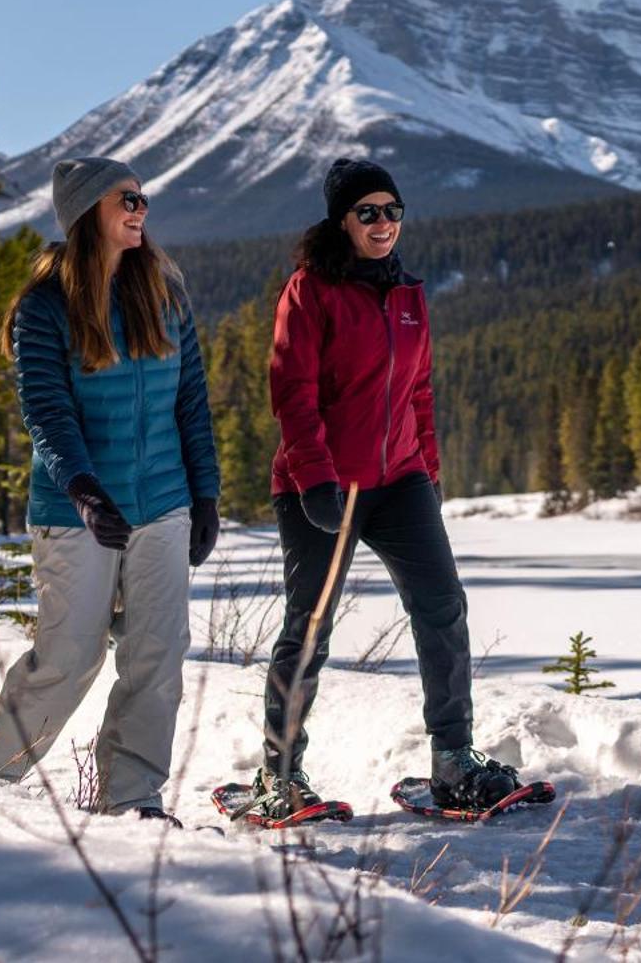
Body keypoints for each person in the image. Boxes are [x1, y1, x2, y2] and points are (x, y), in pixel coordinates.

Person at [241, 158, 518, 821]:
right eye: (368, 212)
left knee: (443, 606)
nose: (383, 223)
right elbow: (293, 392)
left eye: (392, 210)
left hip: (401, 482)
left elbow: (419, 392)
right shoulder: (309, 290)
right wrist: (314, 479)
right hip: (324, 484)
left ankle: (453, 758)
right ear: (343, 220)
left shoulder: (408, 294)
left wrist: (430, 470)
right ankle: (279, 773)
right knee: (309, 626)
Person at [0, 157, 221, 824]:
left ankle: (132, 800)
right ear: (86, 215)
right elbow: (46, 409)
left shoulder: (164, 292)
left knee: (156, 656)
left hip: (163, 503)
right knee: (70, 656)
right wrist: (82, 489)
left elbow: (191, 402)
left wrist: (206, 494)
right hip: (77, 511)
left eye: (142, 198)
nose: (140, 209)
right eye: (125, 199)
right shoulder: (44, 307)